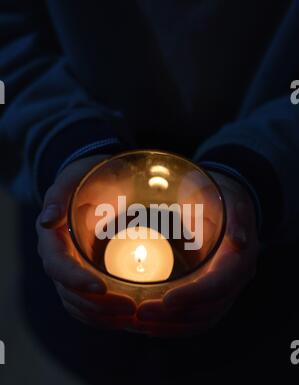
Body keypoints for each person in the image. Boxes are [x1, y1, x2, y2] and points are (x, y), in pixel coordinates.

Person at [0, 0, 298, 332]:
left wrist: (257, 168)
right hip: (74, 195)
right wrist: (67, 142)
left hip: (277, 252)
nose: (141, 259)